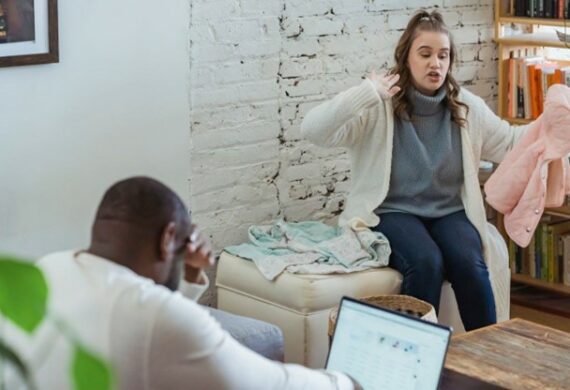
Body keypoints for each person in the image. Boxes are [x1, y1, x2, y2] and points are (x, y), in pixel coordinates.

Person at [5, 177, 357, 389]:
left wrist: (189, 277)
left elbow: (151, 316)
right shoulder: (151, 315)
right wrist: (344, 381)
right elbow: (270, 383)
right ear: (169, 236)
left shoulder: (48, 267)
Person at [301, 10, 529, 331]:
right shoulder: (379, 105)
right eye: (425, 54)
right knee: (426, 263)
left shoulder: (464, 106)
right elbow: (313, 130)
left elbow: (510, 142)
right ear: (406, 58)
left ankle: (490, 359)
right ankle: (415, 363)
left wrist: (554, 127)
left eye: (443, 55)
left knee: (471, 264)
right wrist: (366, 92)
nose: (435, 63)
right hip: (393, 212)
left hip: (449, 212)